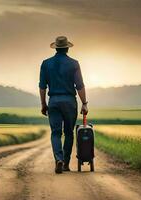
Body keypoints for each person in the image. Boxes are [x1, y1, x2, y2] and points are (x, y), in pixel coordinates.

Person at [39, 36, 88, 174]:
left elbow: (42, 87)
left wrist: (43, 104)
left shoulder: (46, 64)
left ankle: (58, 159)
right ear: (67, 48)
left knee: (55, 133)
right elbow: (80, 86)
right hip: (69, 102)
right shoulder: (74, 64)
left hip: (53, 101)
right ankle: (65, 163)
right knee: (68, 133)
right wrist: (84, 103)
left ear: (56, 48)